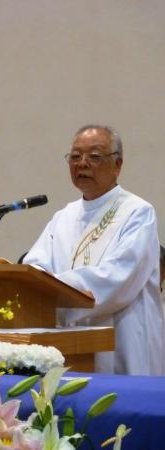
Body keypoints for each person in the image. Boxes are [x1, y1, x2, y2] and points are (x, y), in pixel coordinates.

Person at [23, 125, 164, 375]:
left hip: (123, 342)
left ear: (117, 165)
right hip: (71, 347)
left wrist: (53, 288)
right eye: (75, 157)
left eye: (94, 156)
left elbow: (119, 277)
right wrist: (36, 283)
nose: (83, 163)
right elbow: (35, 267)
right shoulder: (63, 217)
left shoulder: (138, 213)